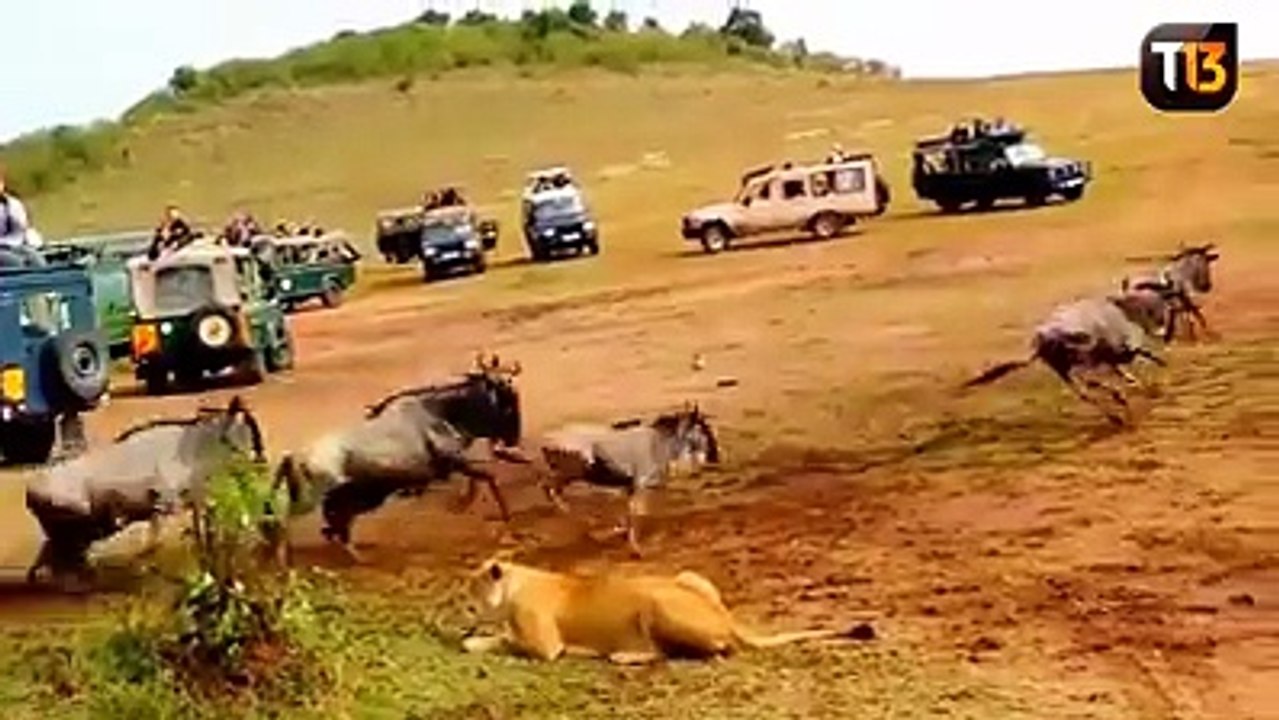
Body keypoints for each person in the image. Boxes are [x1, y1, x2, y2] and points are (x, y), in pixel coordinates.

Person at [0, 166, 46, 267]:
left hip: (15, 245)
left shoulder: (12, 203)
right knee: (15, 263)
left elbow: (22, 228)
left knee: (37, 260)